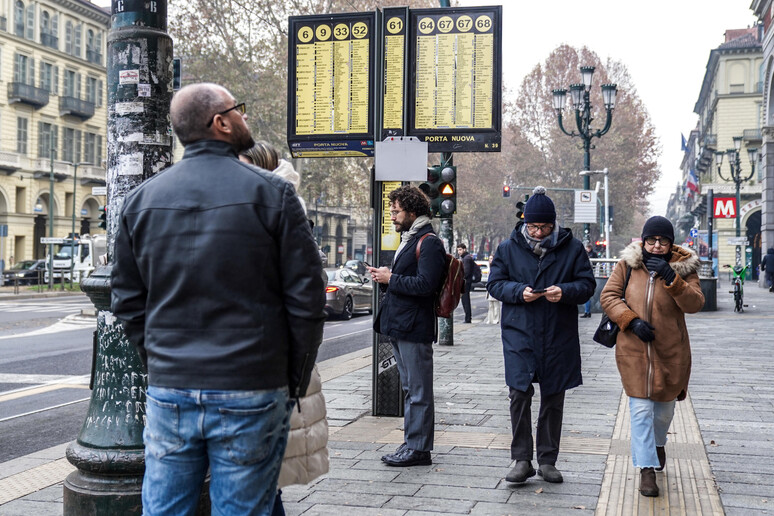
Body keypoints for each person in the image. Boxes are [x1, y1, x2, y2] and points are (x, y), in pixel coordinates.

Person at [111, 83, 326, 515]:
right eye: (238, 110)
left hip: (171, 387)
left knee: (166, 508)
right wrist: (291, 378)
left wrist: (159, 361)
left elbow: (127, 300)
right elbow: (307, 299)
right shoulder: (274, 194)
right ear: (221, 123)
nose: (244, 117)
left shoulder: (140, 202)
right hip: (251, 383)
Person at [487, 186, 595, 485]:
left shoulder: (572, 248)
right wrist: (518, 292)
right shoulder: (508, 248)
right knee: (519, 394)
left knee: (553, 396)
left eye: (544, 227)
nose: (537, 233)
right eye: (533, 226)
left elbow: (587, 284)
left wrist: (566, 291)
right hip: (519, 332)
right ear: (524, 223)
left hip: (557, 334)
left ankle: (548, 460)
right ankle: (522, 459)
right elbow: (495, 284)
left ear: (553, 224)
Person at [600, 216, 704, 498]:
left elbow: (695, 304)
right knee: (641, 411)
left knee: (663, 412)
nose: (656, 246)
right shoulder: (628, 265)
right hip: (633, 350)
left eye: (663, 241)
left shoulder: (685, 267)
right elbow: (608, 296)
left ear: (671, 243)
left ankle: (659, 444)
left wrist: (673, 279)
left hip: (671, 351)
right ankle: (646, 469)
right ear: (643, 241)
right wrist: (630, 321)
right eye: (651, 240)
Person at [367, 185, 446, 467]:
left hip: (415, 326)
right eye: (391, 210)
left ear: (413, 212)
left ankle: (420, 449)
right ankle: (412, 442)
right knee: (410, 389)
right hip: (402, 325)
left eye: (397, 211)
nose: (393, 215)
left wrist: (391, 279)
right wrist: (386, 276)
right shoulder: (410, 238)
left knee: (419, 390)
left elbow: (426, 285)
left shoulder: (430, 241)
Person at [457, 243, 476, 323]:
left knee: (465, 300)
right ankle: (467, 318)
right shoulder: (466, 258)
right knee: (465, 300)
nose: (459, 252)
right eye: (458, 250)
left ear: (464, 249)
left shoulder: (466, 258)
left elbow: (466, 272)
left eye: (460, 250)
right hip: (466, 282)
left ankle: (468, 318)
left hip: (465, 282)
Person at [581, 243, 599, 318]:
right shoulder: (589, 258)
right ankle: (587, 312)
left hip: (585, 278)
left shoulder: (586, 259)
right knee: (588, 296)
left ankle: (587, 312)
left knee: (587, 296)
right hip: (589, 277)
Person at [484, 254, 501, 325]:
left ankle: (496, 319)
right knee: (490, 305)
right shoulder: (489, 268)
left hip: (495, 288)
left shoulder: (497, 268)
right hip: (489, 289)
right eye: (489, 259)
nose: (490, 260)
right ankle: (490, 319)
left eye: (491, 258)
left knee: (496, 306)